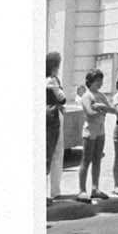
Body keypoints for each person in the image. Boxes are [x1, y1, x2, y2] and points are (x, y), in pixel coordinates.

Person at [77, 69, 118, 202]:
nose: (100, 83)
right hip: (90, 131)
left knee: (97, 159)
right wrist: (102, 109)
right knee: (86, 160)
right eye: (97, 81)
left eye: (101, 81)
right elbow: (89, 112)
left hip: (100, 130)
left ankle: (95, 188)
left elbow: (112, 109)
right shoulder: (87, 96)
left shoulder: (101, 95)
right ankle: (82, 190)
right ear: (90, 82)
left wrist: (103, 107)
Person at [46, 51, 66, 205]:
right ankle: (55, 191)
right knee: (56, 154)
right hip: (53, 116)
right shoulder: (52, 80)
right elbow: (62, 99)